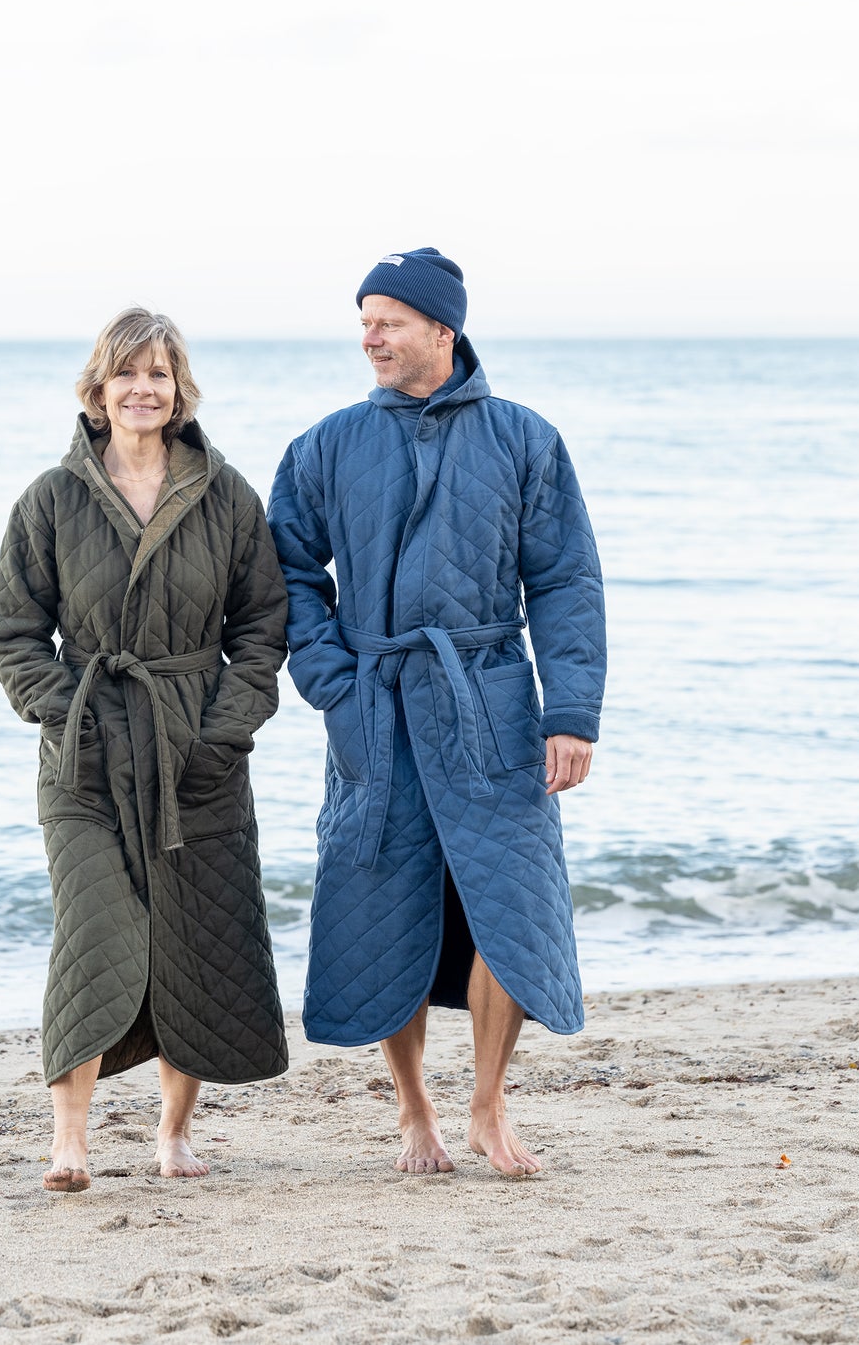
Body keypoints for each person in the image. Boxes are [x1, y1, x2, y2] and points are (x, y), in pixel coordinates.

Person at [268, 248, 605, 1178]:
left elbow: (566, 581)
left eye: (389, 320)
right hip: (375, 711)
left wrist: (570, 714)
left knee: (513, 904)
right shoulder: (326, 444)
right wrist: (334, 684)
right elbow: (286, 574)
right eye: (364, 320)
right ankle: (414, 1108)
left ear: (442, 329)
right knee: (388, 904)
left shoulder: (522, 438)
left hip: (491, 702)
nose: (370, 336)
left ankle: (488, 1104)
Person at [0, 308, 288, 1192]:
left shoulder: (227, 496)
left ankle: (173, 1134)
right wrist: (62, 712)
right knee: (91, 933)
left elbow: (263, 628)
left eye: (158, 373)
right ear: (97, 389)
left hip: (196, 749)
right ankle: (69, 1142)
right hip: (84, 757)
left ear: (179, 388)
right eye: (126, 374)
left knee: (192, 937)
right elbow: (14, 633)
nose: (142, 389)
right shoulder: (50, 498)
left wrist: (223, 730)